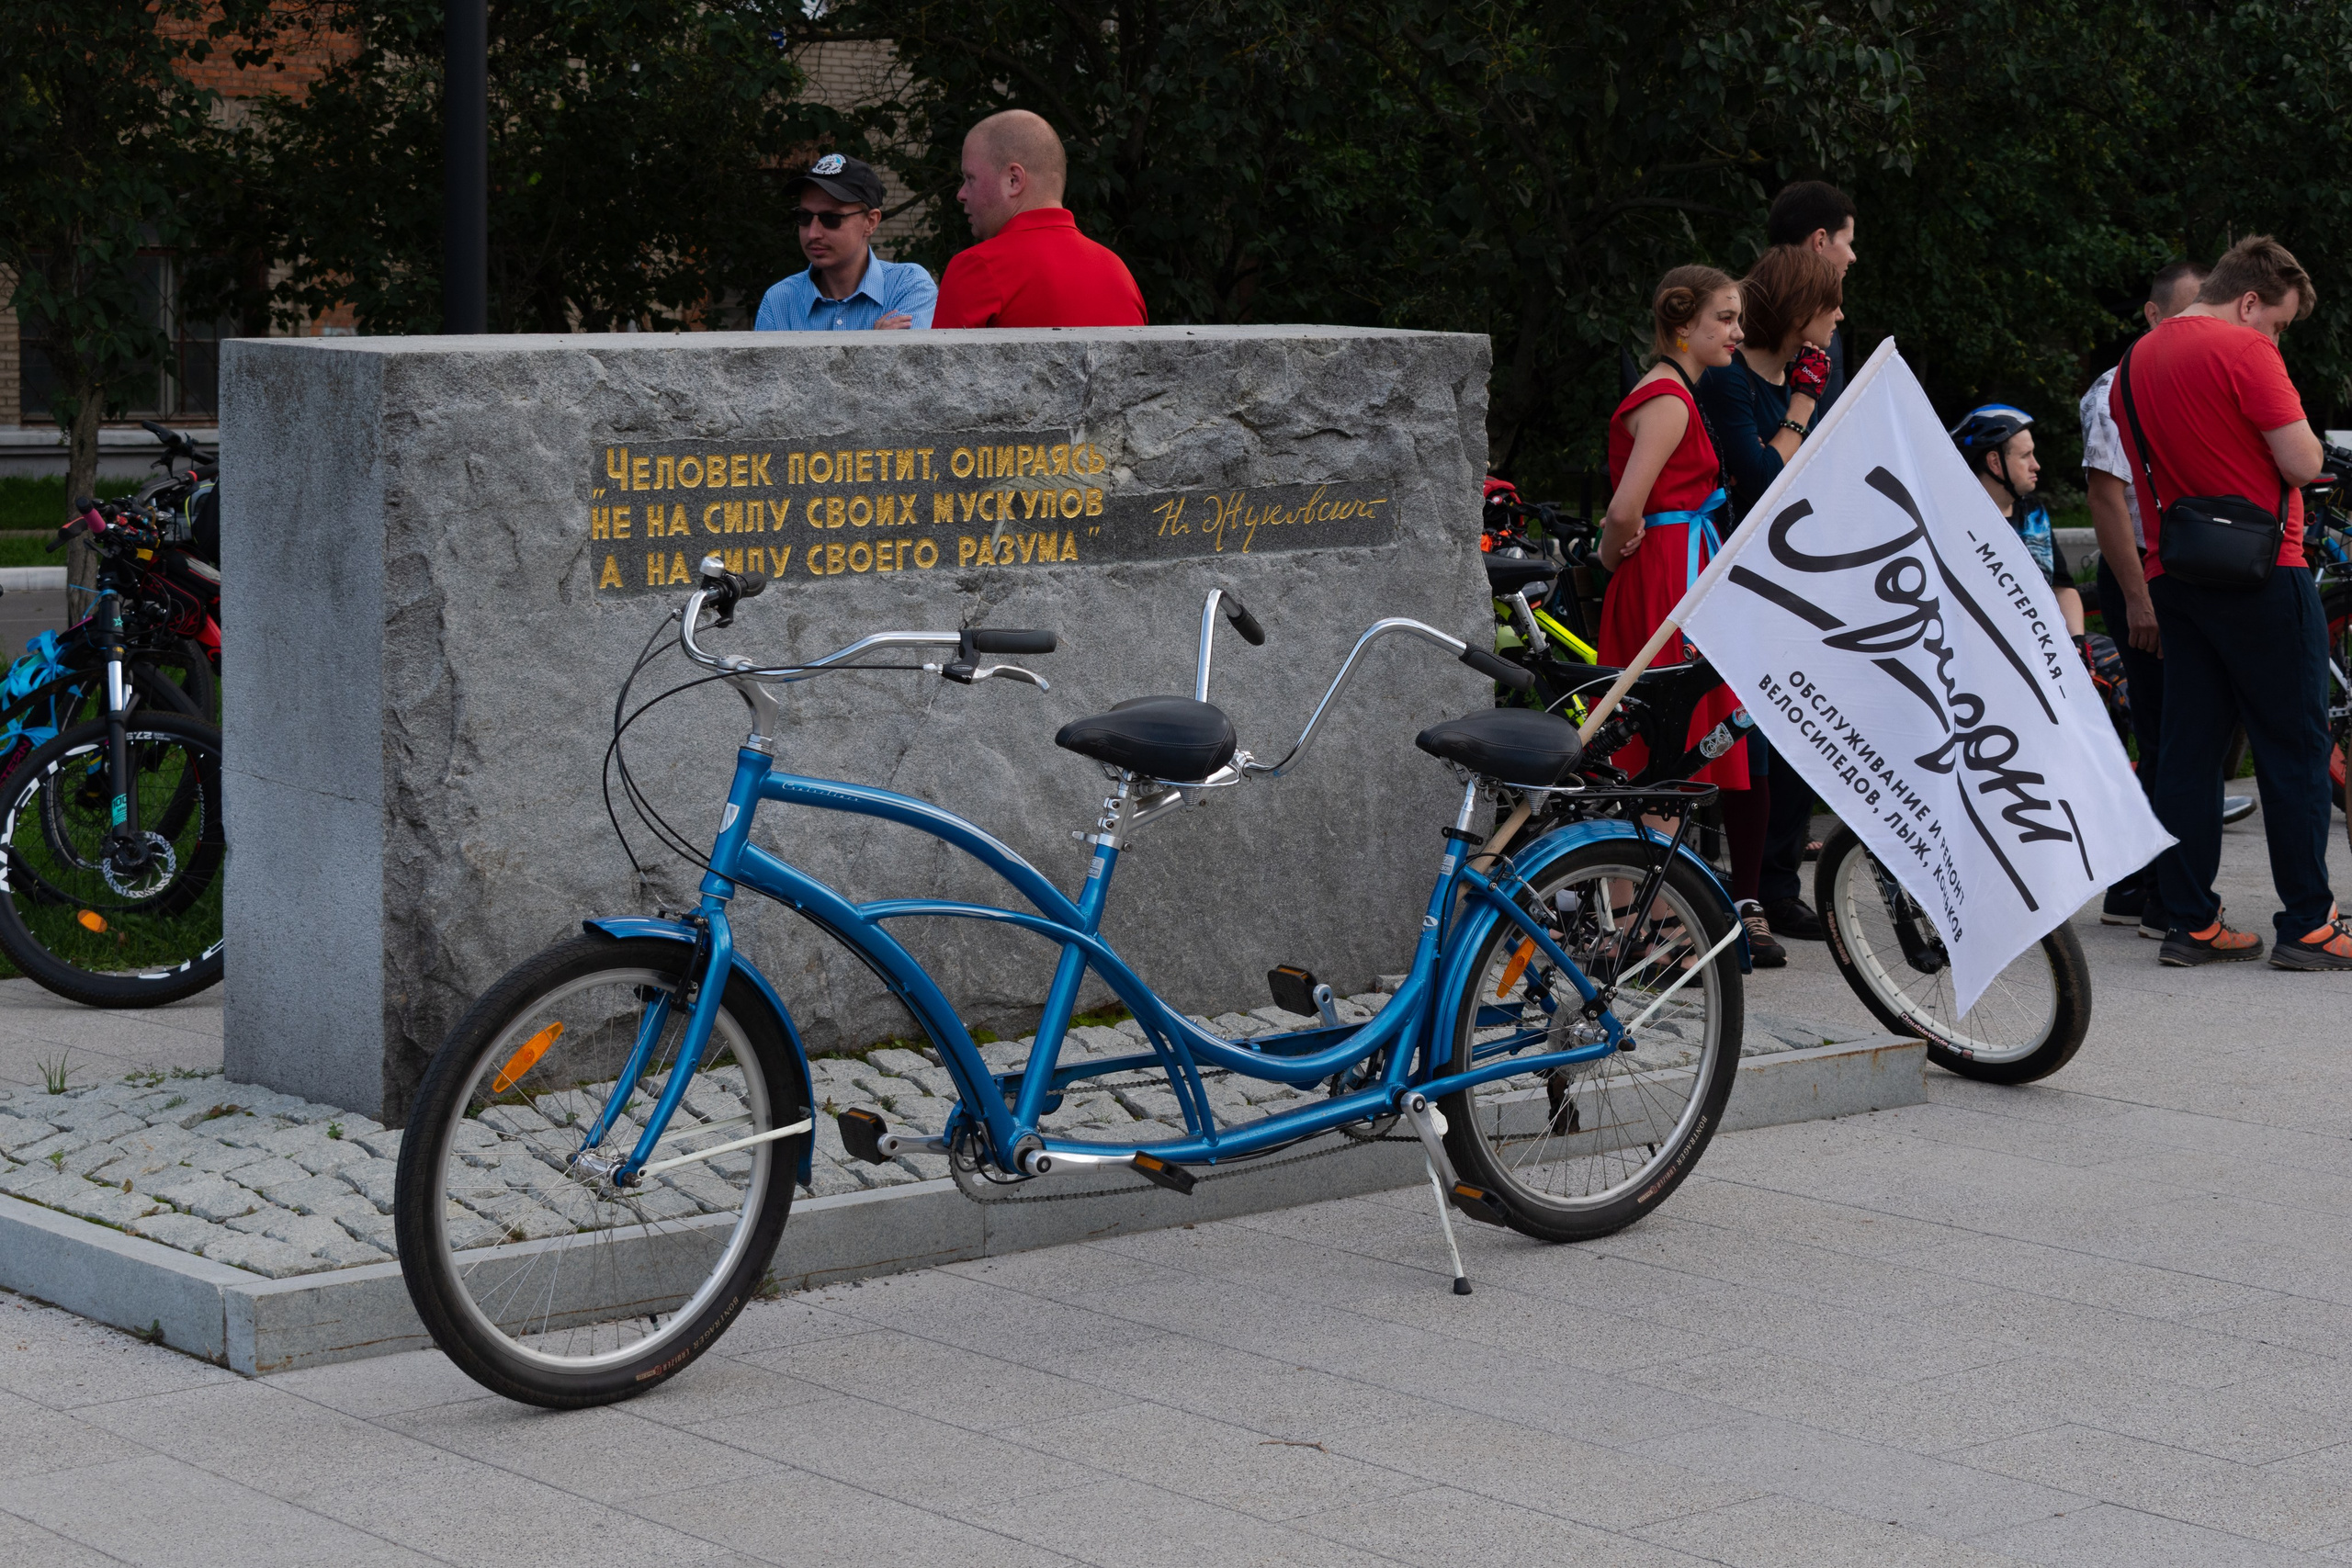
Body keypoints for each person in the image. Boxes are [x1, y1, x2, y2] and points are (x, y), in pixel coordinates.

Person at [2109, 234, 2350, 969]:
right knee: (2297, 748)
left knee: (2187, 748)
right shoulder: (2246, 353)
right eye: (2278, 321)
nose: (2277, 336)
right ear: (2250, 300)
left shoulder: (2133, 363)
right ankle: (2309, 923)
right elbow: (2304, 461)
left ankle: (2190, 920)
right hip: (2262, 574)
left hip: (2176, 575)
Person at [1600, 265, 1782, 966]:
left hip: (1673, 571)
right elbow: (1624, 508)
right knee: (1668, 751)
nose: (1739, 332)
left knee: (1660, 753)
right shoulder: (1671, 398)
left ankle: (1630, 922)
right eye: (1727, 319)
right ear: (1685, 324)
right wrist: (1618, 560)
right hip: (1667, 581)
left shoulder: (1674, 391)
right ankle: (1636, 927)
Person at [2080, 260, 2255, 935]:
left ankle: (2141, 886)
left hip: (2176, 570)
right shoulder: (2117, 386)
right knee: (2167, 738)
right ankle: (2157, 896)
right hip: (2143, 577)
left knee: (2177, 737)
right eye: (2186, 313)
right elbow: (2104, 498)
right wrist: (2137, 601)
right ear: (2154, 317)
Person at [1696, 244, 1843, 941]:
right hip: (1736, 578)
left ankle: (1775, 888)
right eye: (1830, 303)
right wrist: (1803, 404)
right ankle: (1742, 896)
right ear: (1797, 311)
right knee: (1743, 742)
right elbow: (1758, 479)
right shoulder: (1730, 382)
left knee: (1792, 744)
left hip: (1795, 576)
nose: (1840, 316)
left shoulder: (1796, 377)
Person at [933, 110, 1147, 330]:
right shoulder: (1119, 274)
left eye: (970, 178)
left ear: (1014, 180)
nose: (961, 194)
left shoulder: (976, 268)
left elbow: (937, 364)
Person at [752, 154, 935, 333]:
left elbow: (906, 363)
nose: (813, 233)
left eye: (831, 218)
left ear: (871, 222)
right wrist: (874, 345)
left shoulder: (908, 285)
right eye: (805, 217)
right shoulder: (779, 302)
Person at [1949, 405, 2085, 637]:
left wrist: (2077, 641)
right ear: (1995, 462)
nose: (2036, 465)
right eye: (2025, 456)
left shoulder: (2034, 513)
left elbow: (2062, 587)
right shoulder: (1956, 522)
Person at [1764, 182, 1858, 413]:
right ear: (1820, 241)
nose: (1852, 257)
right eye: (1848, 243)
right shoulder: (1751, 322)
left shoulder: (1826, 320)